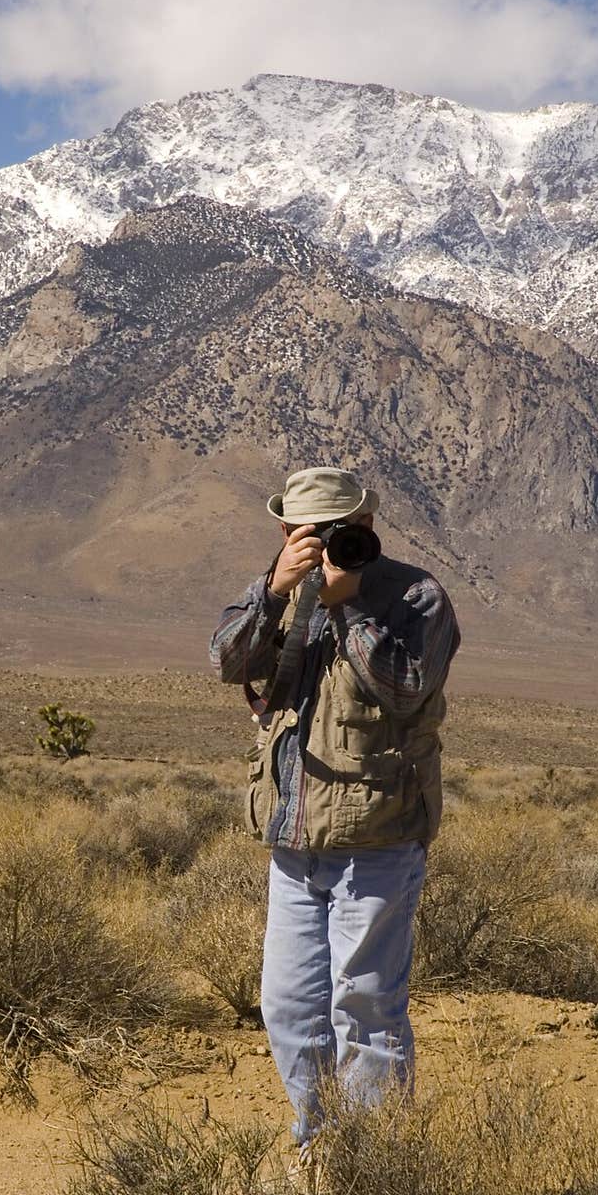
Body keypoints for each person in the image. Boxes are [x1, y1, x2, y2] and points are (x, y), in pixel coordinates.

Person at [209, 466, 461, 1157]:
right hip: (294, 835)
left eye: (336, 532)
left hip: (378, 835)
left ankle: (374, 1163)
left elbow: (407, 688)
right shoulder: (285, 591)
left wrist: (347, 604)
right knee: (290, 1009)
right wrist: (274, 591)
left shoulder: (417, 596)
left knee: (367, 1011)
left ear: (367, 527)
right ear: (286, 532)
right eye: (304, 533)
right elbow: (227, 658)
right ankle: (320, 1147)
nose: (320, 544)